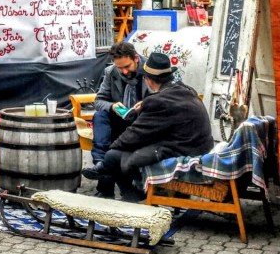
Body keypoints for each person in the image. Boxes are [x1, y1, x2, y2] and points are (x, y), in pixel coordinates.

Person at [82, 52, 214, 202]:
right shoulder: (186, 91)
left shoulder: (159, 101)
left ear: (148, 80)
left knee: (113, 156)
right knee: (109, 128)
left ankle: (131, 191)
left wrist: (112, 148)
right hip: (199, 148)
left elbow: (136, 134)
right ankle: (116, 180)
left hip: (183, 151)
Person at [89, 41, 150, 197]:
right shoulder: (111, 72)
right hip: (120, 119)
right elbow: (99, 101)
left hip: (143, 122)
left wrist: (146, 104)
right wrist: (112, 106)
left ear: (136, 58)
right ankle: (100, 163)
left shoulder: (149, 70)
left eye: (127, 66)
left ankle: (106, 183)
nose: (124, 71)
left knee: (116, 141)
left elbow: (163, 98)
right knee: (100, 116)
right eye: (119, 68)